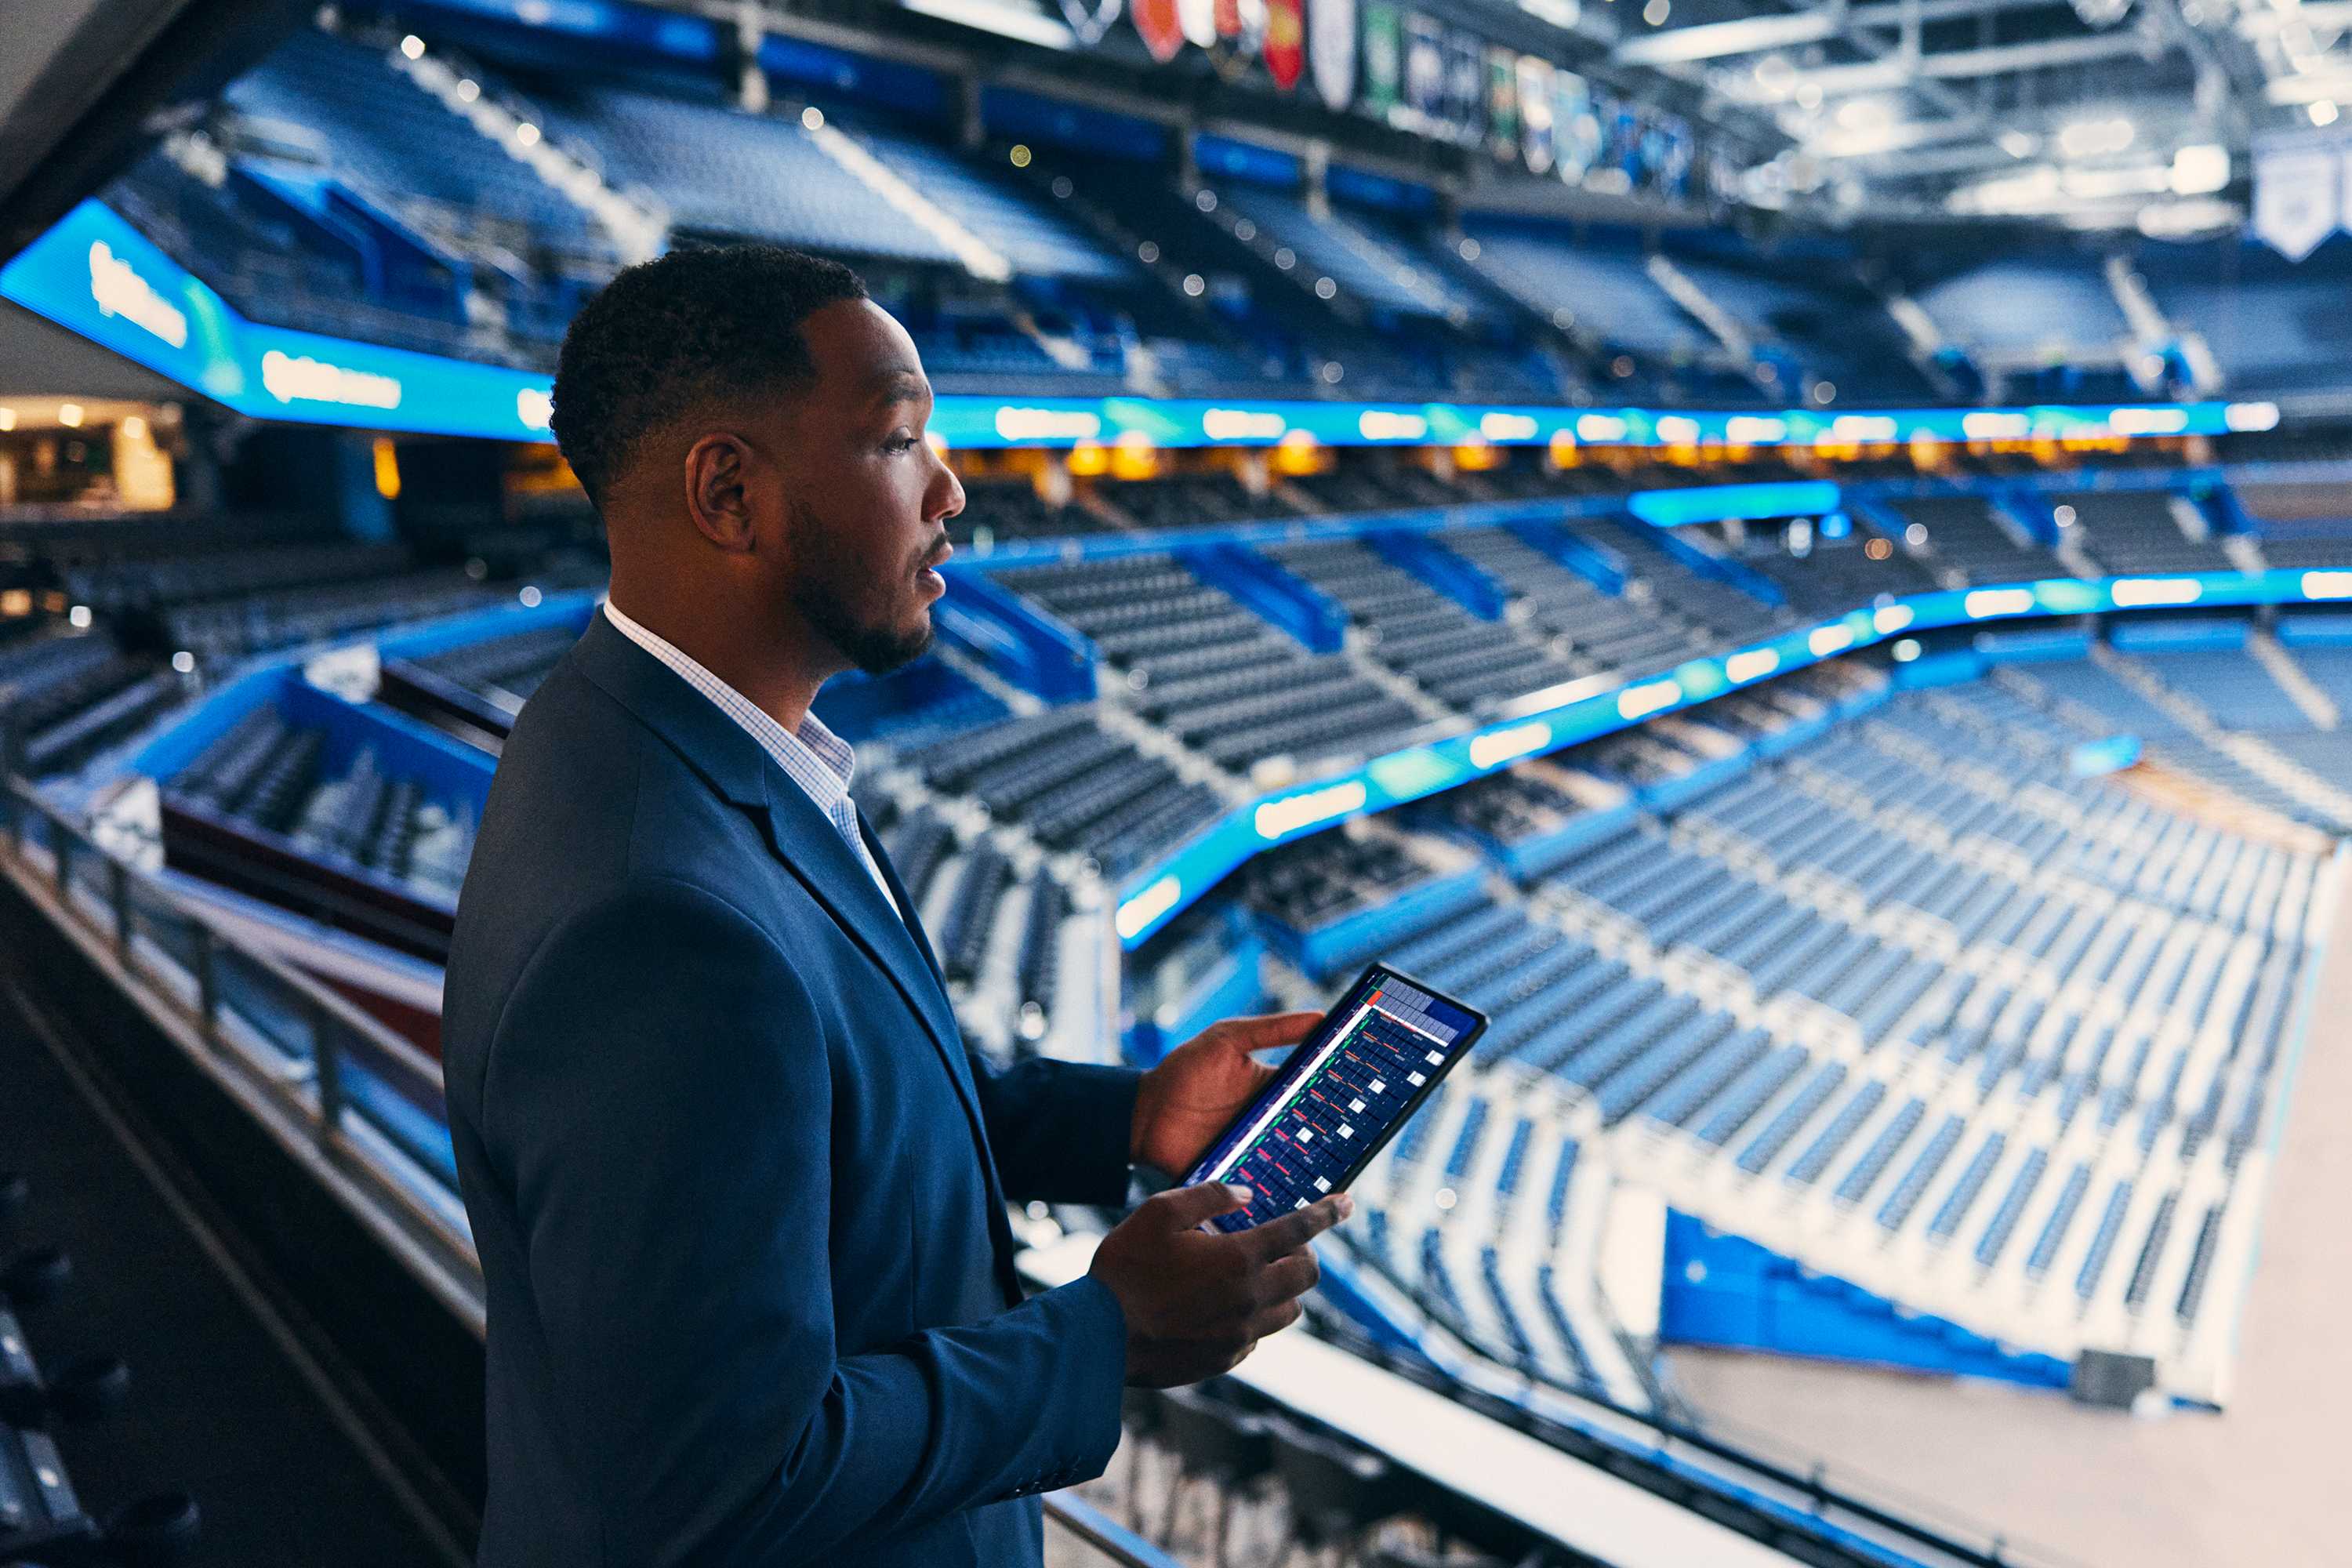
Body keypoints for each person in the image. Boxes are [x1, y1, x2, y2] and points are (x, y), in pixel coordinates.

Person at [441, 244, 1351, 1568]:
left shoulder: (665, 741)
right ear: (730, 492)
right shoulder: (658, 922)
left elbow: (820, 1108)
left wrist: (1127, 1117)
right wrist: (1101, 1336)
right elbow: (720, 1478)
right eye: (898, 440)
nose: (951, 488)